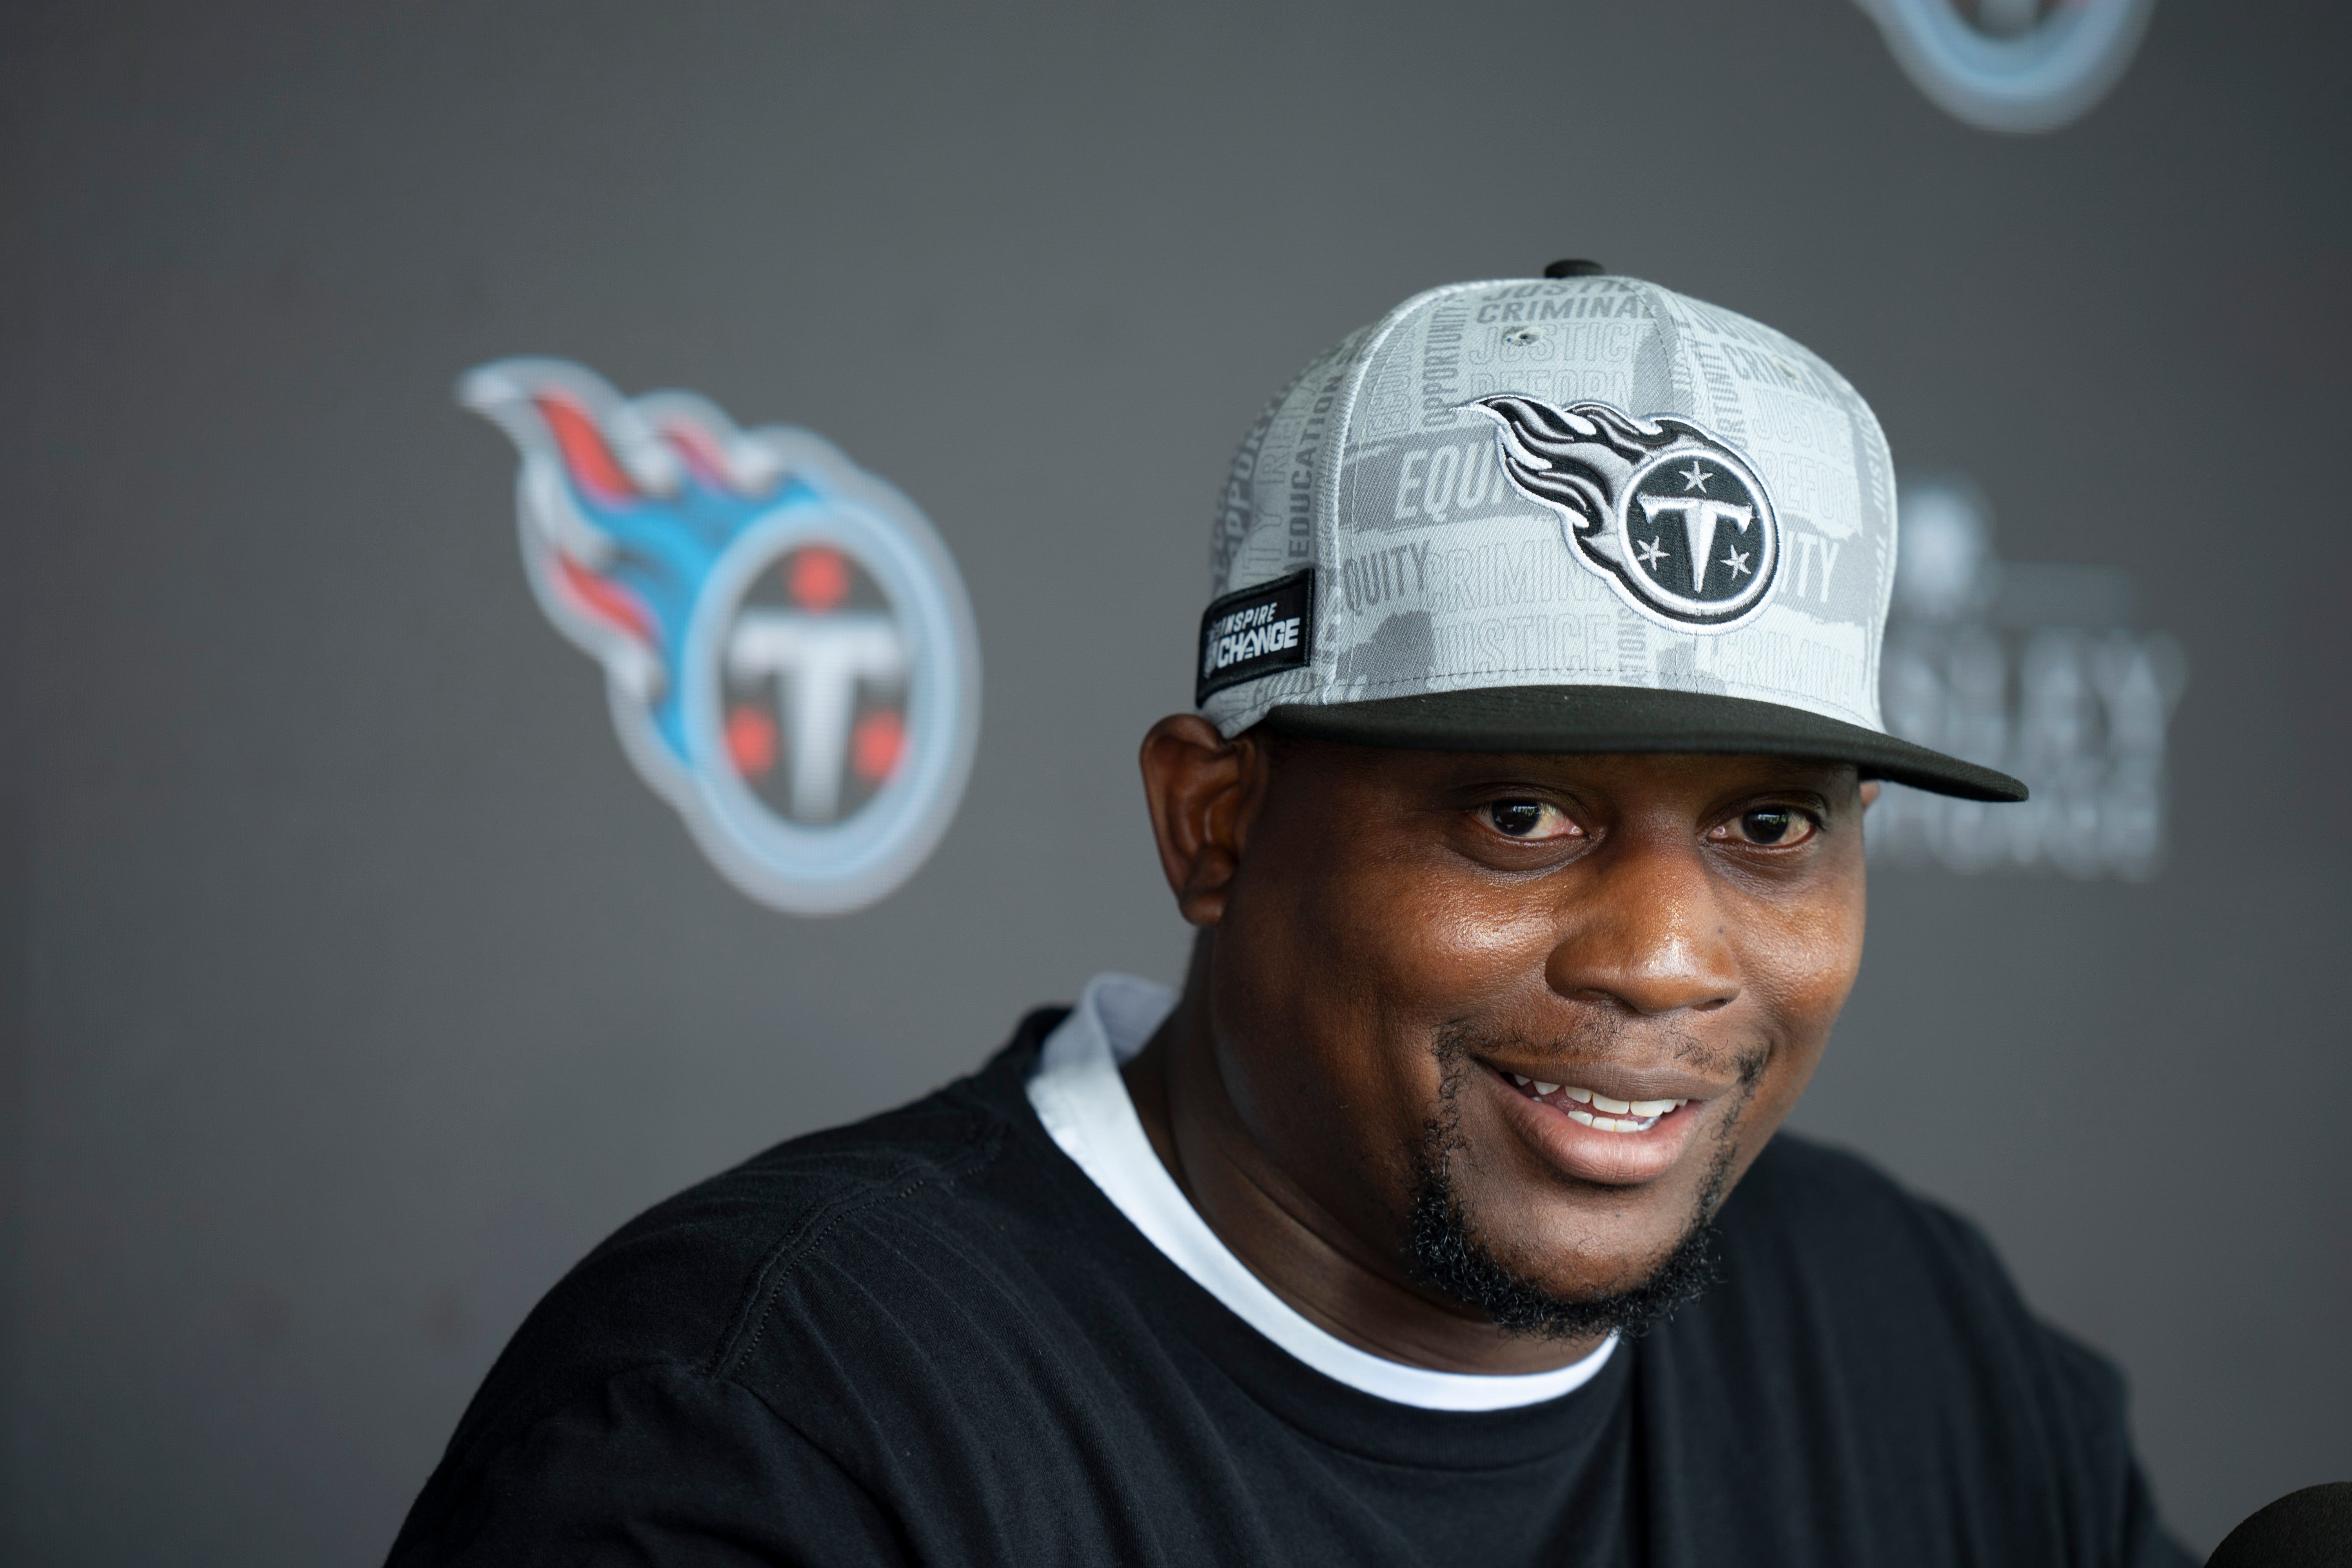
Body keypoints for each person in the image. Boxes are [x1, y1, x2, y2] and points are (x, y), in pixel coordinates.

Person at [387, 266, 2193, 1566]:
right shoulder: (773, 1428)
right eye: (1521, 813)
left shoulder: (1908, 1332)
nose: (1663, 954)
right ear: (1215, 821)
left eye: (1772, 824)